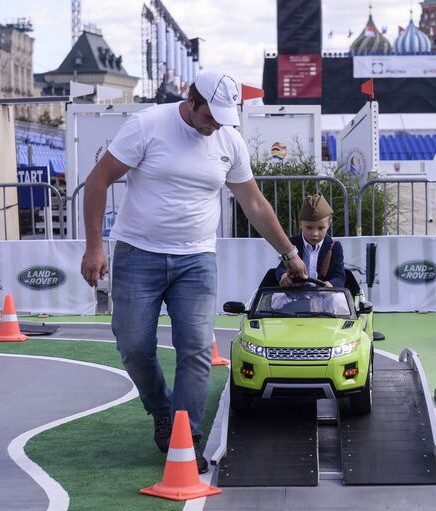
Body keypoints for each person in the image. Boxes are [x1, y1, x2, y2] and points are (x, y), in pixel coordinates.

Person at [80, 70, 306, 473]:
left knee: (197, 349)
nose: (215, 124)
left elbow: (253, 204)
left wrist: (289, 253)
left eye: (222, 118)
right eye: (210, 116)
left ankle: (187, 436)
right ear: (191, 99)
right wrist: (95, 246)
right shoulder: (147, 125)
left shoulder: (228, 140)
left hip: (197, 259)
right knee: (133, 346)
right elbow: (98, 181)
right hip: (137, 253)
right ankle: (163, 411)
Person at [275, 194, 345, 288]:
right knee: (278, 298)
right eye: (309, 227)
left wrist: (332, 284)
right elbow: (281, 268)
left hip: (325, 295)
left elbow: (339, 276)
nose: (315, 233)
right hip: (296, 293)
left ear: (329, 224)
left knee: (337, 300)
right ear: (300, 224)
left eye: (321, 228)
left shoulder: (335, 247)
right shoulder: (291, 244)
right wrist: (283, 276)